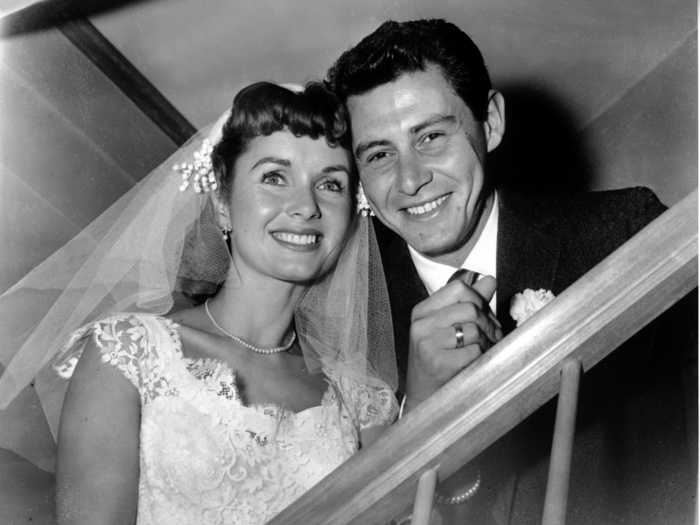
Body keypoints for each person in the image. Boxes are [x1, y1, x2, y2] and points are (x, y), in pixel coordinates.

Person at [326, 19, 695, 524]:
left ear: (491, 122)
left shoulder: (623, 230)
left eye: (431, 136)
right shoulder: (346, 331)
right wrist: (423, 414)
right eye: (379, 154)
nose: (409, 180)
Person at [0, 81, 399, 524]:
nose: (305, 206)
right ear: (223, 204)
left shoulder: (359, 398)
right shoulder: (129, 353)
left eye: (330, 183)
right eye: (274, 177)